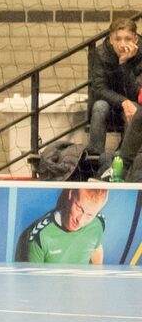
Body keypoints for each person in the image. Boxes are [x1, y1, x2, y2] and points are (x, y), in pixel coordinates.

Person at [85, 17, 139, 160]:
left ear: (135, 39)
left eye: (128, 39)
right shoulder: (101, 53)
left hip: (133, 105)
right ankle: (94, 159)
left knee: (134, 109)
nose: (122, 44)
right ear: (110, 40)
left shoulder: (141, 55)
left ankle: (125, 159)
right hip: (109, 104)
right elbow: (99, 88)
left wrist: (124, 63)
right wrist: (123, 101)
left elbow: (137, 91)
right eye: (118, 39)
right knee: (99, 106)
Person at [15, 187, 108, 265]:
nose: (80, 221)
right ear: (71, 194)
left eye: (89, 215)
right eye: (79, 208)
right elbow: (32, 280)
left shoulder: (98, 223)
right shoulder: (38, 237)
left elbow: (96, 249)